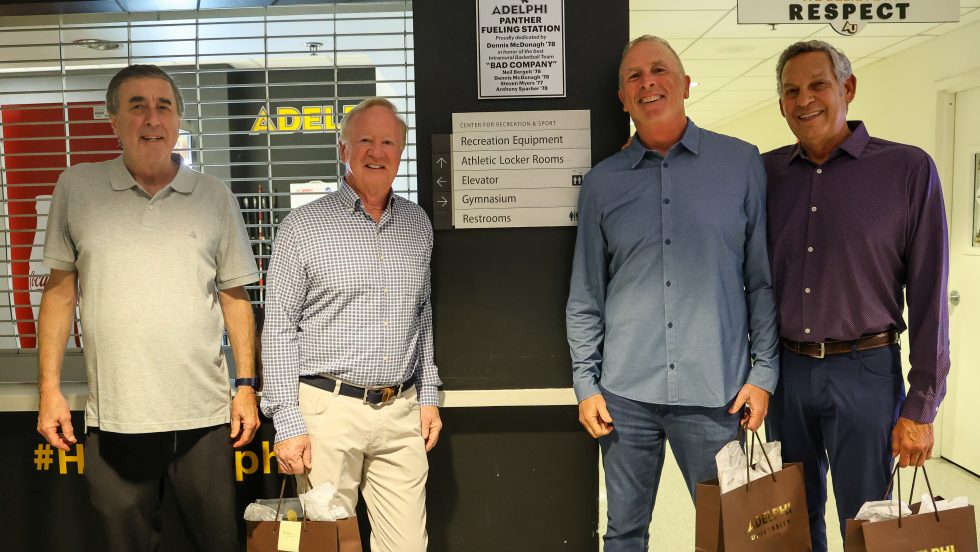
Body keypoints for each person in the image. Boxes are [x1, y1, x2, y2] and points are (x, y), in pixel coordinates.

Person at [565, 35, 779, 550]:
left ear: (685, 84)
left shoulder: (741, 164)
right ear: (622, 98)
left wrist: (764, 373)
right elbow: (586, 292)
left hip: (717, 396)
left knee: (730, 536)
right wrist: (585, 382)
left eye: (659, 70)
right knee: (623, 534)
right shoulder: (602, 183)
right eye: (634, 77)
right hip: (624, 396)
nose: (648, 83)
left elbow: (762, 280)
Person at [35, 64, 260, 551]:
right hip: (117, 417)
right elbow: (58, 295)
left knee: (220, 544)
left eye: (164, 107)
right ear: (113, 120)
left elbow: (235, 297)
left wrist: (245, 387)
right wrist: (49, 390)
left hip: (203, 417)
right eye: (137, 106)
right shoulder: (76, 189)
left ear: (180, 119)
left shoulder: (215, 197)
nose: (152, 119)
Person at [764, 40, 950, 552]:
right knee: (789, 523)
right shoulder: (765, 174)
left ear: (847, 88)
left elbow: (931, 294)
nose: (805, 100)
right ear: (781, 104)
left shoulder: (907, 171)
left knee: (867, 523)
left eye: (818, 85)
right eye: (791, 91)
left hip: (865, 371)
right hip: (785, 374)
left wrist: (923, 404)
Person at [261, 97, 443, 552]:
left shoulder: (418, 224)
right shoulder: (303, 227)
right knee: (326, 545)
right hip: (327, 412)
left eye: (387, 142)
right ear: (343, 149)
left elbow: (422, 315)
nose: (376, 152)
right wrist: (286, 420)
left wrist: (429, 395)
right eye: (365, 140)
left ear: (401, 153)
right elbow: (279, 327)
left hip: (400, 411)